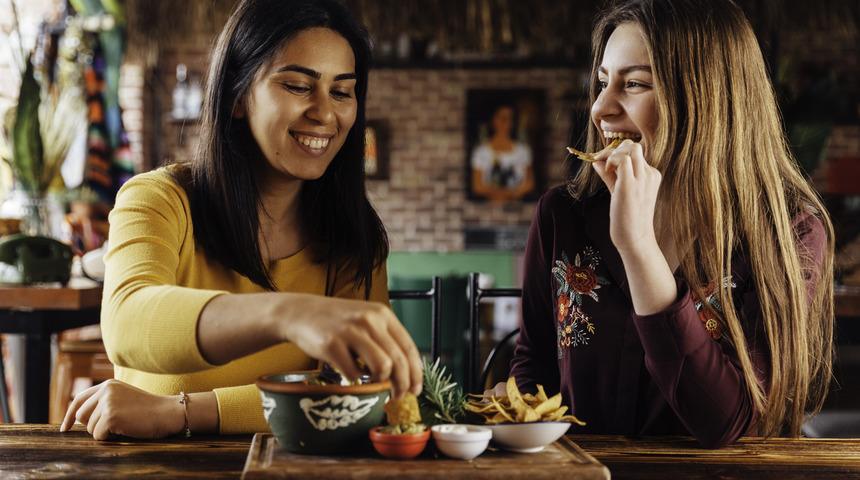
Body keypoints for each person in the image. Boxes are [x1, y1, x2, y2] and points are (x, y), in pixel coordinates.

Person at [60, 0, 422, 440]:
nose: (325, 113)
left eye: (342, 91)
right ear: (236, 96)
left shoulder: (353, 235)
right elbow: (128, 323)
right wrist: (289, 314)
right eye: (297, 86)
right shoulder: (158, 199)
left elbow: (356, 398)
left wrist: (186, 412)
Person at [496, 0, 835, 448]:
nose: (600, 108)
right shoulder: (563, 214)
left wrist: (638, 247)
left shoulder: (789, 233)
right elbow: (535, 366)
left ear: (708, 97)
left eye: (633, 84)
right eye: (602, 82)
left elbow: (727, 424)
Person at [470, 105, 535, 202]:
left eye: (510, 119)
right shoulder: (481, 152)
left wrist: (508, 195)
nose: (507, 123)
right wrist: (502, 194)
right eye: (503, 119)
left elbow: (529, 183)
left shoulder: (523, 151)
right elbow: (477, 186)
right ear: (493, 120)